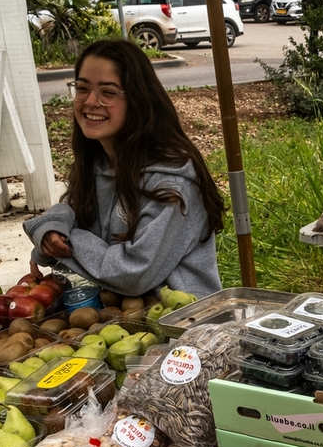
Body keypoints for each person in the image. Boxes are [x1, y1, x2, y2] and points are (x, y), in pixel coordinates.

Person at [24, 39, 225, 298]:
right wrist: (51, 228)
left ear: (138, 100)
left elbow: (134, 273)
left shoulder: (172, 181)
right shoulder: (97, 163)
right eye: (82, 88)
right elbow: (73, 212)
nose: (90, 101)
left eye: (108, 92)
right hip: (116, 319)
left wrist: (65, 242)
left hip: (184, 325)